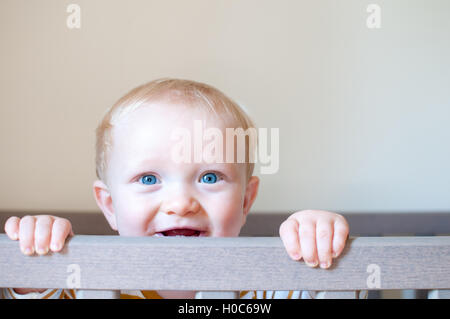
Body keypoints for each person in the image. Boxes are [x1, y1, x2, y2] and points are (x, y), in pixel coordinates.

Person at [2, 78, 350, 299]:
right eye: (149, 179)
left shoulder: (271, 286)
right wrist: (35, 259)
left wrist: (319, 243)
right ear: (109, 206)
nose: (181, 204)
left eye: (210, 178)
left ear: (246, 201)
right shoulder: (86, 283)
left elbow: (333, 292)